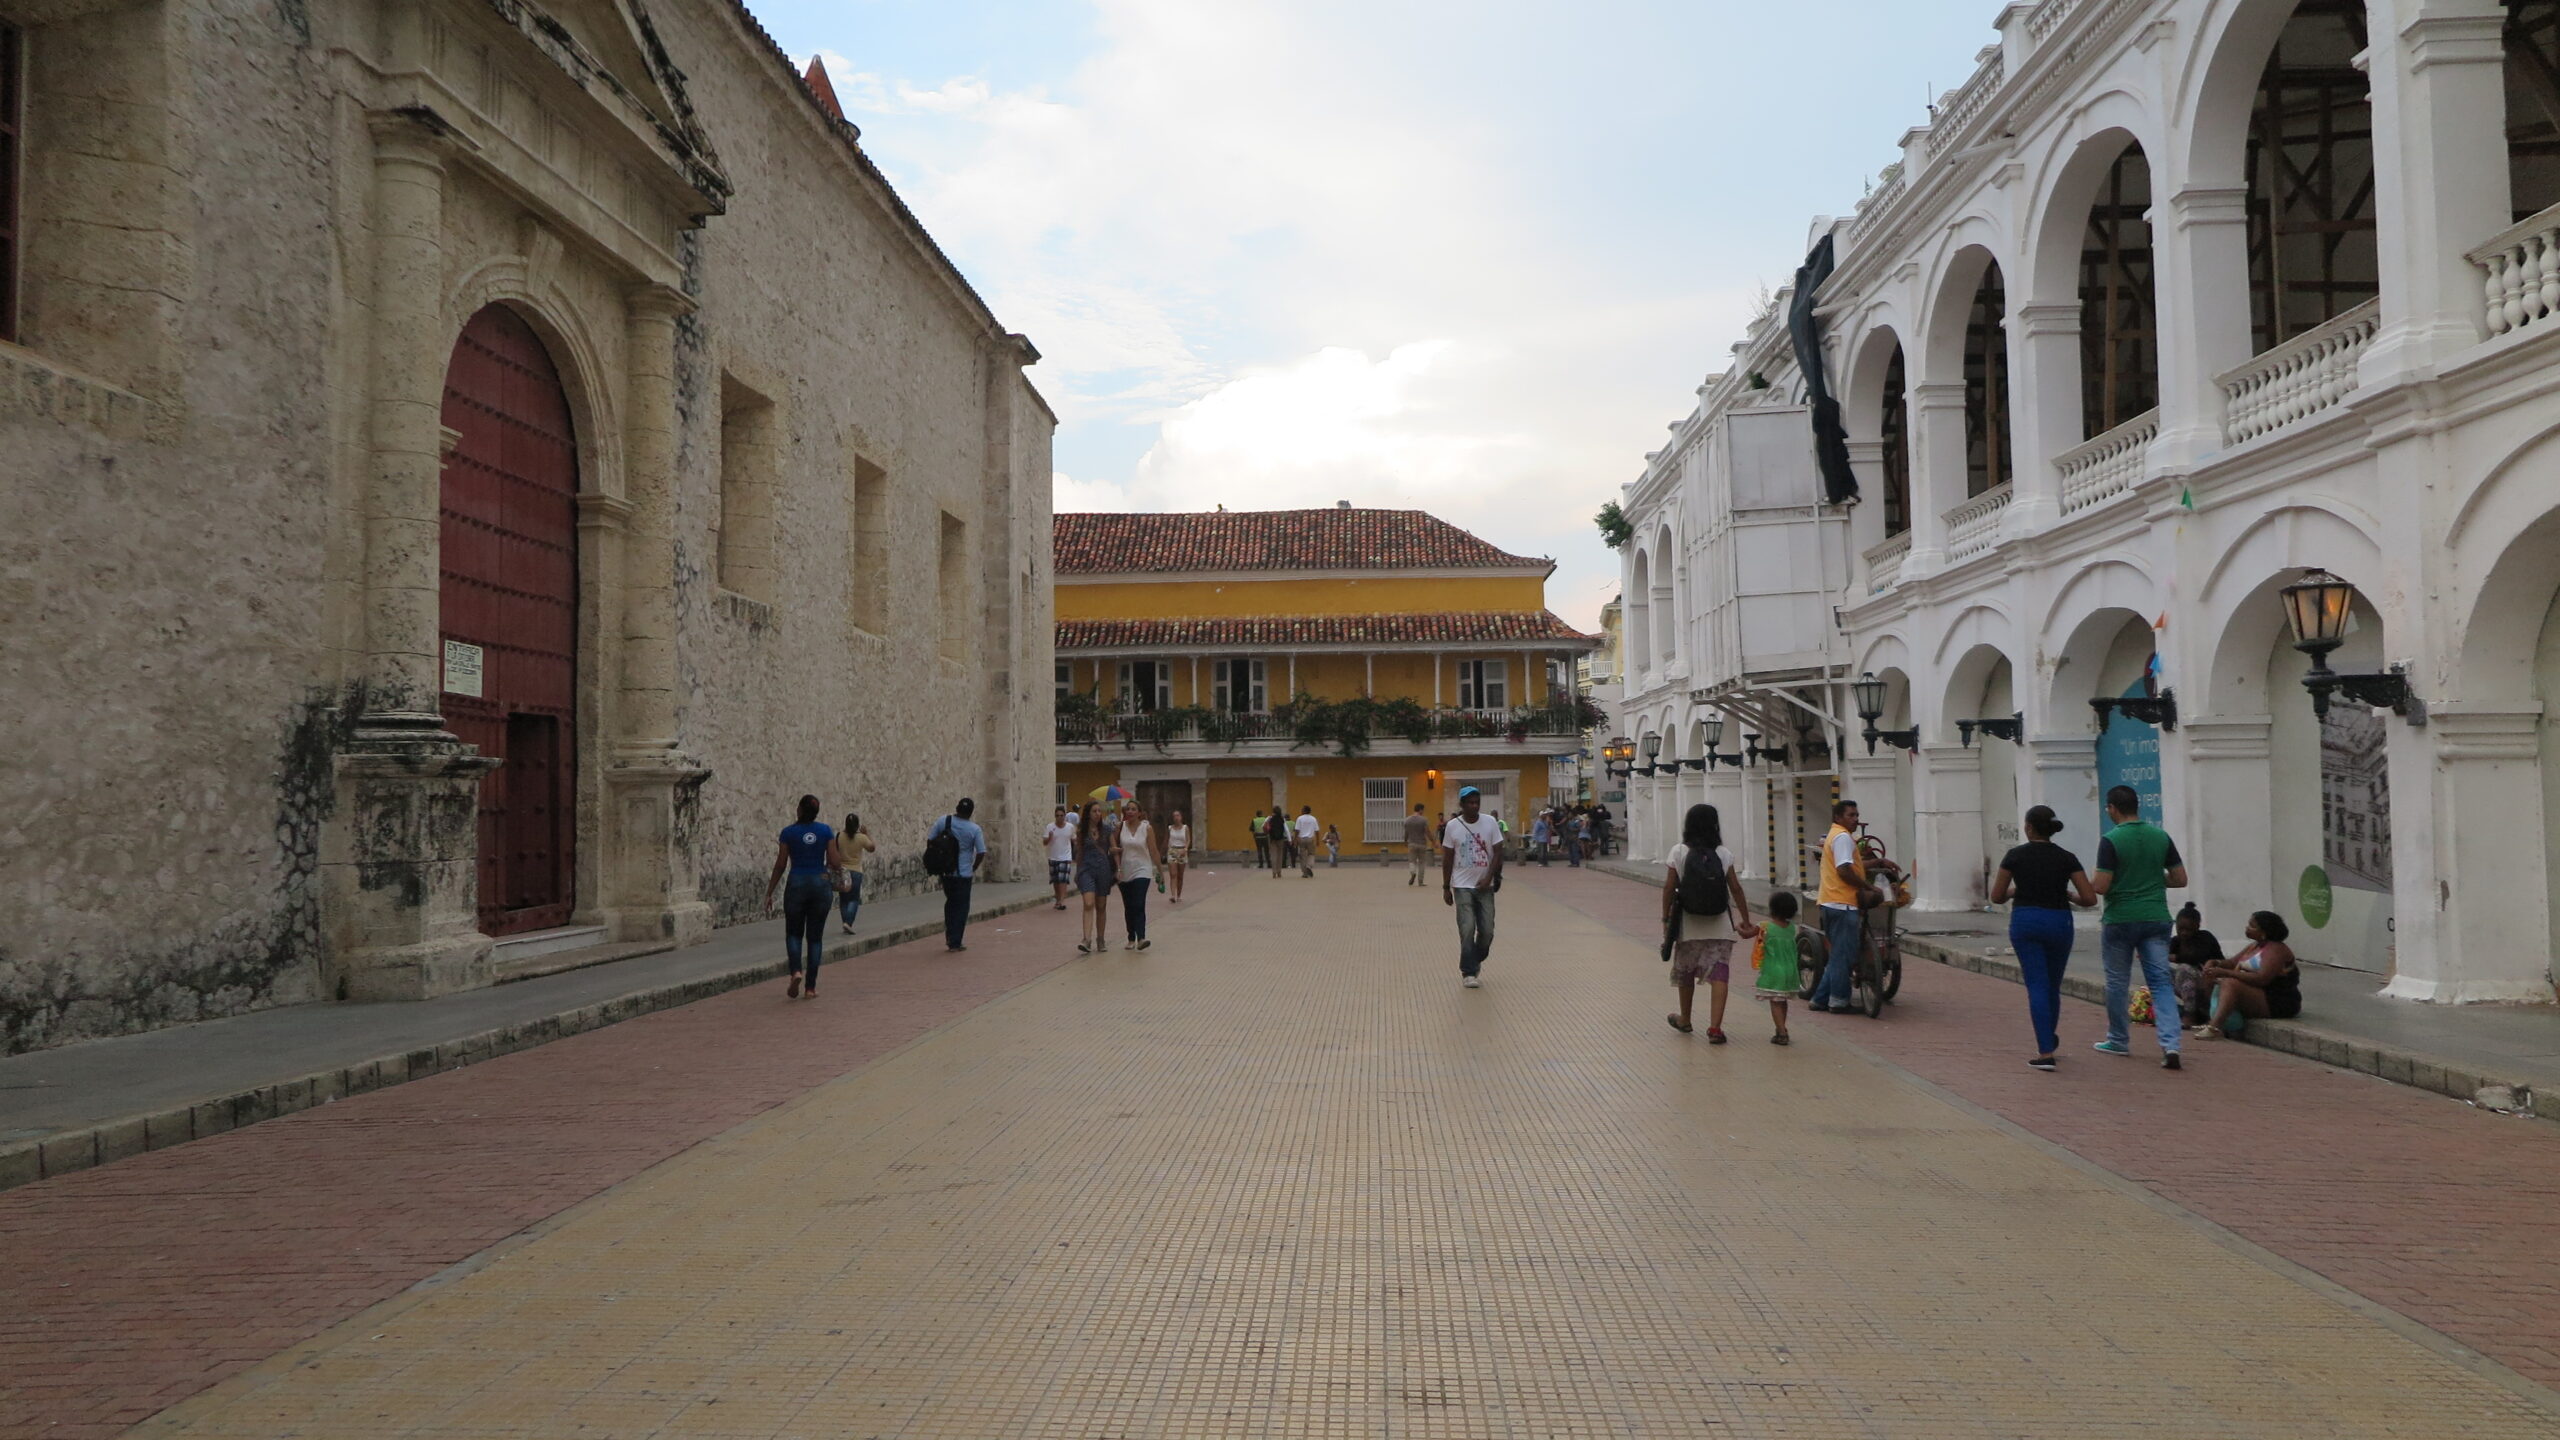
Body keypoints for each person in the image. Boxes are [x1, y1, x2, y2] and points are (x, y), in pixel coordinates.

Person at [1991, 804, 2099, 1071]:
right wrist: (2069, 895)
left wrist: (2016, 891)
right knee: (2052, 985)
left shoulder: (2014, 856)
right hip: (2059, 921)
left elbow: (1996, 896)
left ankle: (2045, 1051)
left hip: (2026, 922)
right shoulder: (2067, 857)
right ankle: (2048, 1037)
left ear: (2028, 827)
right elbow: (2089, 898)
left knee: (2036, 985)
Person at [2092, 784, 2189, 1068]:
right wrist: (2153, 880)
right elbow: (2180, 878)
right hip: (2156, 917)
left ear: (2113, 808)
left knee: (2117, 983)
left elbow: (2101, 885)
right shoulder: (2160, 836)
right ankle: (2171, 1045)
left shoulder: (2110, 840)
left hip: (2120, 919)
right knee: (2160, 983)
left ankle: (2118, 1039)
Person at [1661, 803, 1756, 1040]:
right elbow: (1735, 888)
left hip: (1688, 923)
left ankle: (1685, 1019)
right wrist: (1745, 920)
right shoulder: (1723, 853)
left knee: (1685, 972)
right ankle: (1715, 1028)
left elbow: (1669, 887)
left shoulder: (1679, 851)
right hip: (1720, 923)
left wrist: (1665, 918)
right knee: (1719, 975)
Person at [1811, 799, 1900, 1013]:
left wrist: (1877, 862)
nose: (1855, 819)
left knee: (1838, 954)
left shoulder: (1835, 835)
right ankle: (1839, 1001)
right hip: (1842, 904)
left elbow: (1852, 864)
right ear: (1838, 817)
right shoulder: (1842, 838)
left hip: (1831, 902)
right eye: (1851, 815)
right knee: (1844, 956)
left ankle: (1820, 999)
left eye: (1857, 815)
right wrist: (1868, 887)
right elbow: (1844, 870)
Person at [763, 795, 842, 1000]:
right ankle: (810, 987)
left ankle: (796, 971)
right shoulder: (825, 831)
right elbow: (834, 861)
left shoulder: (788, 833)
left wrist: (770, 891)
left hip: (796, 882)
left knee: (793, 933)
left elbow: (781, 864)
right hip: (820, 883)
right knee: (815, 938)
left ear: (799, 810)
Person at [2196, 911, 2300, 1037]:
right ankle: (2212, 1018)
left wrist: (2226, 973)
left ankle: (2215, 1027)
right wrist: (2213, 963)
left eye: (2252, 926)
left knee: (2230, 983)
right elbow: (2232, 962)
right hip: (2257, 993)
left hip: (2276, 1000)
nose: (2247, 928)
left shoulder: (2276, 949)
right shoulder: (2254, 946)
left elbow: (2262, 979)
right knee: (2211, 978)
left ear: (2263, 932)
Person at [1441, 785, 1505, 987]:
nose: (1474, 806)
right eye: (1470, 803)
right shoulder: (1452, 826)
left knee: (1487, 931)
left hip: (1484, 886)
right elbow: (1447, 858)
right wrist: (1445, 886)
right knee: (1467, 928)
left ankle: (1475, 959)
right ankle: (1468, 972)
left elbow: (1498, 852)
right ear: (1462, 805)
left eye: (1477, 802)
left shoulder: (1490, 822)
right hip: (1461, 885)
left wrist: (1489, 878)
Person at [1750, 891, 1821, 1045]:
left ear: (1772, 909)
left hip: (1774, 971)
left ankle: (1781, 1032)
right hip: (1790, 971)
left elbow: (1746, 933)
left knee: (1775, 1002)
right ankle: (1782, 1027)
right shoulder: (1792, 929)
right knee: (1782, 1000)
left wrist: (1738, 926)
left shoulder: (1765, 927)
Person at [926, 797, 988, 953]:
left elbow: (930, 841)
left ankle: (950, 934)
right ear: (971, 813)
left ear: (957, 808)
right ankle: (955, 941)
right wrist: (973, 867)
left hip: (947, 872)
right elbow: (981, 852)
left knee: (950, 903)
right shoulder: (974, 829)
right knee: (961, 908)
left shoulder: (943, 821)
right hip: (963, 874)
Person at [1114, 800, 1161, 950]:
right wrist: (1116, 865)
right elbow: (1113, 847)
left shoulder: (1146, 828)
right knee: (1129, 906)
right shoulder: (1120, 828)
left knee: (1139, 903)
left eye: (1134, 809)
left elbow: (1153, 850)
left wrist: (1160, 869)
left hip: (1143, 869)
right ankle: (1130, 937)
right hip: (1125, 870)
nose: (1130, 812)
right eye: (1128, 809)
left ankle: (1141, 937)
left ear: (1139, 813)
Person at [2168, 901, 2225, 1024]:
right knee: (2160, 972)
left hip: (2209, 983)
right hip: (2189, 986)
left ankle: (2190, 1014)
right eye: (2180, 929)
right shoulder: (2176, 941)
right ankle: (2167, 1010)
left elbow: (2196, 957)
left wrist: (2175, 958)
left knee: (2184, 969)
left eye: (2188, 930)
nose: (2184, 933)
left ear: (2197, 926)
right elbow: (2163, 954)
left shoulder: (2205, 937)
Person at [1073, 800, 1116, 954]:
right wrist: (1078, 872)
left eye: (1099, 811)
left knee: (1101, 905)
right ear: (1088, 814)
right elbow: (1079, 852)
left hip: (1103, 870)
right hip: (1086, 869)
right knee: (1088, 903)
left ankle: (1100, 938)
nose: (1098, 814)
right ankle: (1086, 939)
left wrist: (1118, 867)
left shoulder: (1106, 829)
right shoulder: (1081, 831)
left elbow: (1113, 848)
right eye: (1094, 811)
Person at [835, 811, 877, 935]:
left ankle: (845, 922)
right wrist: (867, 833)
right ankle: (848, 922)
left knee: (844, 899)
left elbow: (835, 850)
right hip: (856, 871)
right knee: (854, 899)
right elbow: (872, 848)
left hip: (842, 871)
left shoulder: (839, 836)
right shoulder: (861, 838)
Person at [1041, 805, 1077, 912]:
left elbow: (1074, 840)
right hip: (1053, 856)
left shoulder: (1070, 827)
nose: (1059, 817)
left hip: (1065, 857)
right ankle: (1057, 899)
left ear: (1065, 816)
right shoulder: (1050, 827)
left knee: (1063, 879)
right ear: (1055, 816)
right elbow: (1044, 842)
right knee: (1055, 880)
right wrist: (1050, 838)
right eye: (1057, 816)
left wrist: (1077, 852)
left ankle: (1061, 901)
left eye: (1061, 815)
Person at [1403, 803, 1433, 886]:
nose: (1423, 812)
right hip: (1422, 843)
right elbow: (1427, 832)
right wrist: (1433, 841)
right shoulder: (1424, 820)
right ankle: (1420, 881)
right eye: (1422, 810)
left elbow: (1406, 833)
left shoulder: (1407, 820)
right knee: (1422, 863)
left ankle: (1413, 872)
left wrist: (1405, 841)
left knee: (1412, 861)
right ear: (1420, 810)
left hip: (1412, 843)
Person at [1165, 810, 1190, 903]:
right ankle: (1172, 895)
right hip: (1172, 850)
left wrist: (1185, 849)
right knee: (1173, 874)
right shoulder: (1170, 828)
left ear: (1181, 817)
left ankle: (1179, 894)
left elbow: (1188, 839)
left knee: (1180, 875)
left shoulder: (1185, 828)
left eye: (1178, 815)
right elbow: (1167, 839)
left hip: (1182, 850)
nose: (1176, 818)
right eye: (1174, 816)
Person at [1294, 805, 1320, 878]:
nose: (1301, 811)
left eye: (1302, 810)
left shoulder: (1299, 818)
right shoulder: (1313, 819)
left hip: (1301, 839)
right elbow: (1317, 831)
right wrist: (1318, 841)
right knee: (1311, 854)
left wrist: (1295, 839)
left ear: (1305, 811)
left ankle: (1304, 873)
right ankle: (1309, 866)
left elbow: (1297, 830)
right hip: (1310, 839)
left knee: (1302, 856)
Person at [1265, 809, 1290, 879]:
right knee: (1280, 855)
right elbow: (1286, 829)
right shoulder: (1282, 819)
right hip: (1280, 839)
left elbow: (1263, 826)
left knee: (1273, 855)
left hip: (1272, 839)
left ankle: (1274, 872)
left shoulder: (1269, 818)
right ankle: (1279, 872)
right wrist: (1289, 839)